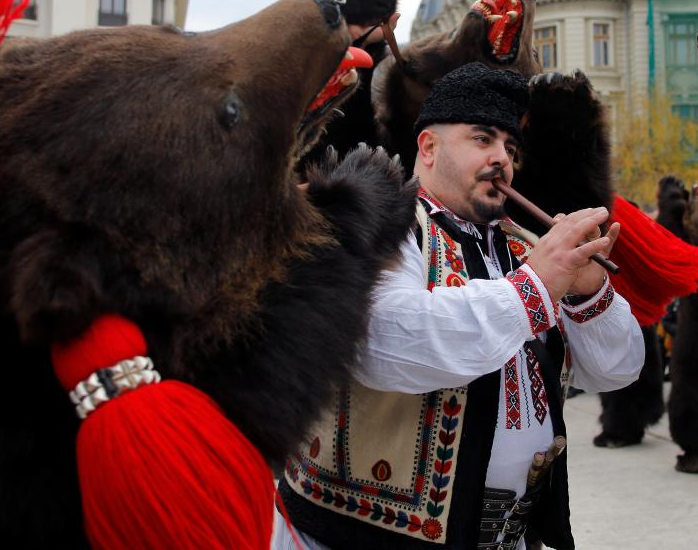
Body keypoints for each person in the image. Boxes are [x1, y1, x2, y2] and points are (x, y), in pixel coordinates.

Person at [274, 62, 644, 550]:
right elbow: (387, 343)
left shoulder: (522, 247)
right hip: (363, 536)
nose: (502, 160)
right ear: (427, 147)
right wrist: (533, 287)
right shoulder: (381, 226)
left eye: (510, 148)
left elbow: (617, 371)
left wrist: (587, 293)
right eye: (482, 139)